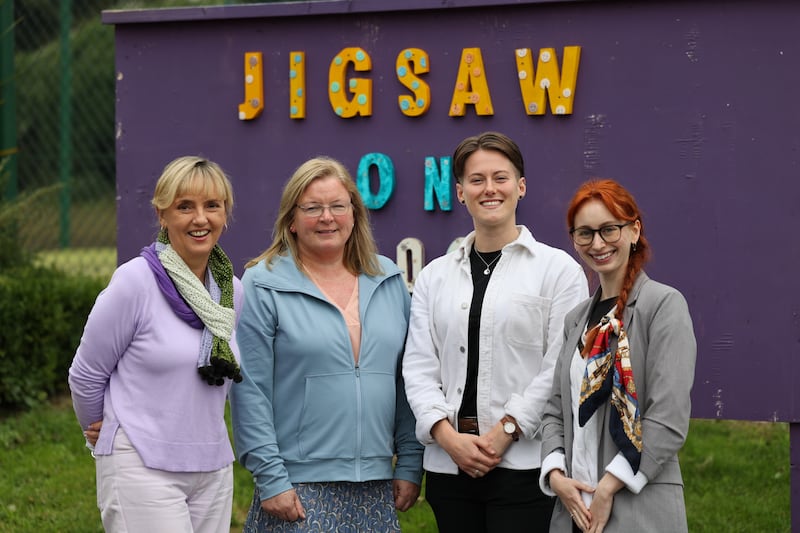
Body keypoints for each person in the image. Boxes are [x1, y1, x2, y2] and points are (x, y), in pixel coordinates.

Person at [402, 131, 589, 532]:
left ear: (520, 187)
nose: (490, 189)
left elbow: (559, 366)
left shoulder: (558, 272)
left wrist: (508, 429)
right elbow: (418, 365)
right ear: (459, 192)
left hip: (525, 464)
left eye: (501, 178)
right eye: (477, 179)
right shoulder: (435, 276)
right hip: (450, 468)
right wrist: (446, 436)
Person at [229, 156, 423, 532]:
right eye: (312, 208)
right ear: (292, 220)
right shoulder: (262, 283)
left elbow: (406, 379)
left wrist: (411, 461)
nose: (327, 217)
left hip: (376, 485)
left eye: (337, 206)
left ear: (354, 214)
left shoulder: (389, 279)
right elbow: (249, 389)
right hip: (296, 487)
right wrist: (271, 477)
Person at [68, 156, 244, 532]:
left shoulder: (231, 294)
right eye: (185, 207)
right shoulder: (135, 282)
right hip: (141, 463)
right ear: (162, 215)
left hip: (211, 465)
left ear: (225, 214)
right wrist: (101, 429)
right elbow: (86, 373)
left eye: (212, 205)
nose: (201, 219)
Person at [538, 179, 697, 533]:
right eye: (585, 234)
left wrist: (609, 486)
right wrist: (555, 473)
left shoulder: (663, 306)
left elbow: (668, 418)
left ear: (634, 230)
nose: (597, 244)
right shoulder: (576, 319)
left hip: (638, 509)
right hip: (574, 510)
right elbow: (554, 408)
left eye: (609, 229)